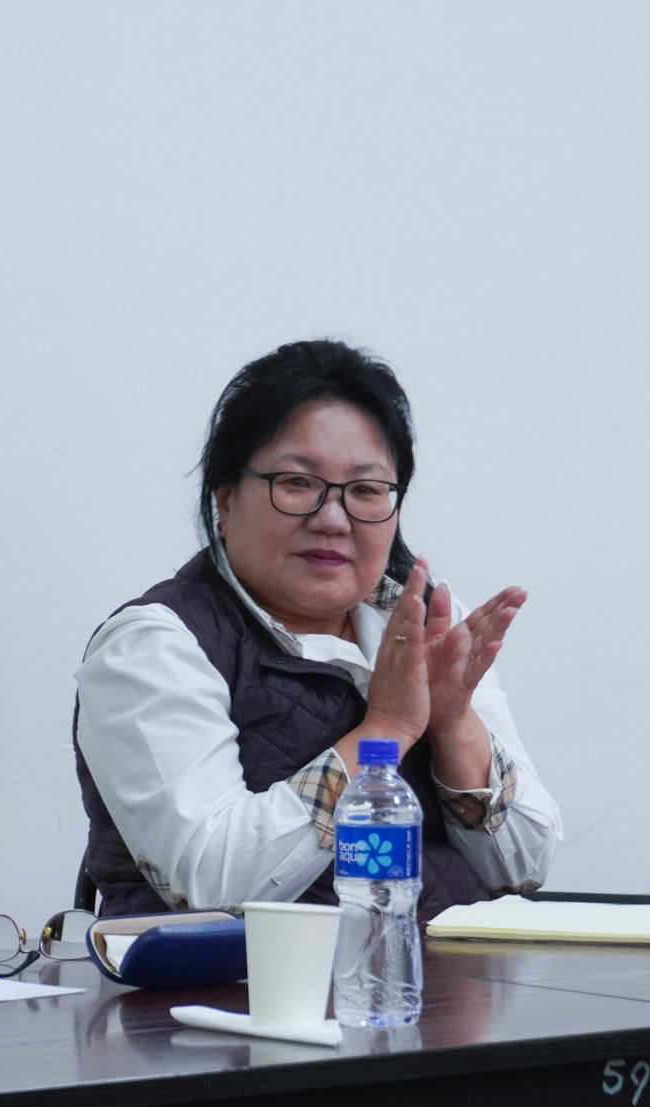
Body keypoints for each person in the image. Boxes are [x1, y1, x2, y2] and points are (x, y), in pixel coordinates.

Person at [73, 339, 561, 916]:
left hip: (432, 967)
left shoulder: (425, 624)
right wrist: (386, 730)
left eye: (365, 490)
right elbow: (214, 883)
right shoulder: (154, 645)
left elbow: (523, 868)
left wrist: (453, 723)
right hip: (230, 976)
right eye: (297, 483)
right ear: (225, 500)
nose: (332, 519)